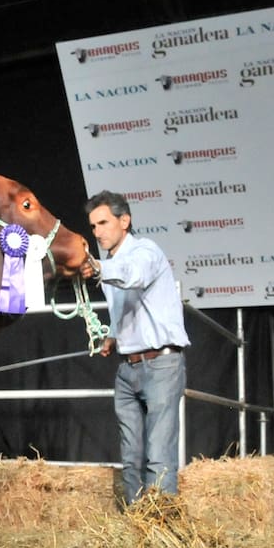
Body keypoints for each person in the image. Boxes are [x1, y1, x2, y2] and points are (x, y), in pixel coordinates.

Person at [81, 190, 190, 505]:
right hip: (128, 368)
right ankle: (135, 528)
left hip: (161, 366)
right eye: (93, 226)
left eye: (103, 223)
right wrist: (113, 336)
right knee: (131, 456)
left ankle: (162, 528)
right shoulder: (109, 262)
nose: (98, 231)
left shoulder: (145, 251)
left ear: (124, 221)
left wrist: (101, 270)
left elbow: (135, 275)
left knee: (158, 453)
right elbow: (122, 309)